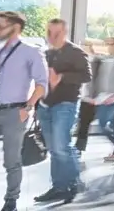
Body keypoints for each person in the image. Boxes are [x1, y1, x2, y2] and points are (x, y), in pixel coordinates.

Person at [0, 11, 47, 211]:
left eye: (1, 25)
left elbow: (41, 84)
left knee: (11, 161)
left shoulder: (31, 52)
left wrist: (28, 107)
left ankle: (11, 200)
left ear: (16, 27)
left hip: (14, 112)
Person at [35, 19, 92, 203]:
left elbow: (87, 76)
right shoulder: (46, 53)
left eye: (56, 33)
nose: (52, 37)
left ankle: (72, 184)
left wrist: (62, 77)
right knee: (54, 149)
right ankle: (59, 187)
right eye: (49, 32)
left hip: (65, 105)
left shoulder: (76, 52)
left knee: (61, 146)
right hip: (45, 105)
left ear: (65, 33)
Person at [73, 39, 100, 154]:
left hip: (90, 98)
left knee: (84, 123)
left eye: (84, 45)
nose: (82, 47)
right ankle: (79, 146)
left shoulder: (96, 61)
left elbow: (97, 80)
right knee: (82, 122)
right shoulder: (81, 60)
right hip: (82, 96)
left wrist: (95, 97)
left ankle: (79, 147)